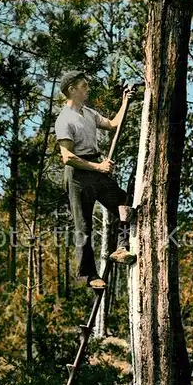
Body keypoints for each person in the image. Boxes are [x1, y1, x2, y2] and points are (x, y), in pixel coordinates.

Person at [55, 70, 136, 289]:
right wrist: (99, 167)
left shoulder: (88, 113)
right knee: (84, 226)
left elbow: (112, 124)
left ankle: (121, 247)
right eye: (84, 85)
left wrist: (125, 100)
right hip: (78, 175)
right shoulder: (64, 119)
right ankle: (90, 276)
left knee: (124, 203)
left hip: (96, 171)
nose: (88, 88)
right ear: (72, 89)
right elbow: (67, 157)